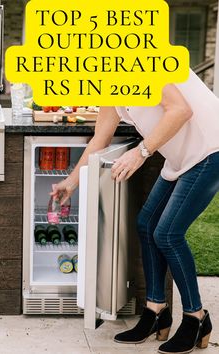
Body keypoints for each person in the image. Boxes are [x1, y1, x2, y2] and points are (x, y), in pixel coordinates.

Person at [51, 69, 219, 354]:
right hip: (180, 156)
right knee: (146, 224)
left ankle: (197, 318)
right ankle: (156, 311)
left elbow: (180, 110)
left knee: (167, 234)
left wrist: (141, 152)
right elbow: (99, 140)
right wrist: (71, 182)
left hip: (208, 150)